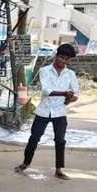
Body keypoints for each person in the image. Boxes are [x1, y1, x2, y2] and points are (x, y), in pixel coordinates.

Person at [15, 44, 80, 180]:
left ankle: (58, 170)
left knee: (60, 141)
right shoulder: (44, 70)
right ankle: (25, 163)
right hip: (43, 111)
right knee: (34, 138)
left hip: (60, 112)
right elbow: (45, 91)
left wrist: (69, 99)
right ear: (56, 55)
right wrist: (64, 93)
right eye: (61, 57)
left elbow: (76, 94)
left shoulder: (70, 74)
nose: (63, 61)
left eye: (66, 59)